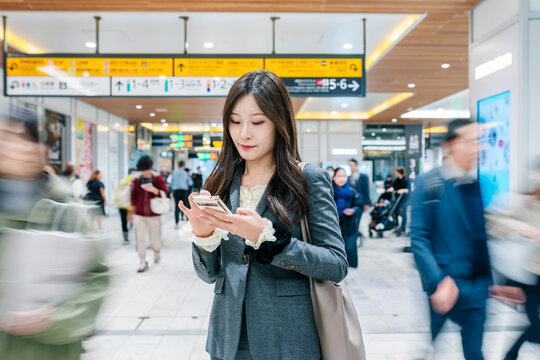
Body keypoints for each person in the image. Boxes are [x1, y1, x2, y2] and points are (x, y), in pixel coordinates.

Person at [178, 70, 348, 360]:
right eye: (235, 121)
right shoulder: (220, 181)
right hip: (228, 339)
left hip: (288, 341)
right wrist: (203, 237)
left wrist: (271, 240)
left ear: (279, 123)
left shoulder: (306, 179)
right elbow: (210, 276)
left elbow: (336, 265)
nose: (244, 133)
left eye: (257, 122)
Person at [0, 106, 109, 360]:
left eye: (16, 137)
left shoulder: (64, 209)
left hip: (50, 350)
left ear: (38, 149)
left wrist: (54, 318)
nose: (6, 145)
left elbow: (99, 278)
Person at [410, 119, 493, 360]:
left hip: (477, 287)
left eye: (481, 141)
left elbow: (480, 236)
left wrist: (494, 281)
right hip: (446, 284)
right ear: (452, 145)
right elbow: (419, 238)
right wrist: (437, 281)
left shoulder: (476, 183)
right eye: (472, 141)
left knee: (475, 352)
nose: (479, 148)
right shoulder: (429, 184)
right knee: (431, 347)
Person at [131, 156, 168, 273]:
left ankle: (157, 253)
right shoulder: (137, 180)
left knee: (155, 237)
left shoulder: (158, 179)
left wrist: (154, 191)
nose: (144, 172)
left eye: (146, 170)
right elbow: (133, 196)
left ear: (150, 168)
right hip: (139, 214)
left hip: (154, 214)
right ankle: (142, 261)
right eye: (142, 170)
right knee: (140, 239)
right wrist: (131, 212)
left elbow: (165, 193)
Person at [332, 167, 364, 268]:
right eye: (339, 176)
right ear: (333, 178)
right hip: (334, 224)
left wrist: (353, 210)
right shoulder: (329, 192)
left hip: (349, 223)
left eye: (344, 176)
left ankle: (350, 266)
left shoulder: (352, 192)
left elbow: (359, 206)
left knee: (349, 247)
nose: (341, 178)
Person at [114, 168, 137, 243]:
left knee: (123, 220)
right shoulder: (135, 181)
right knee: (133, 219)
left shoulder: (122, 181)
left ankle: (125, 236)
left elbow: (117, 192)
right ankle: (131, 231)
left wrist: (116, 203)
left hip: (122, 204)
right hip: (130, 205)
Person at [388, 167, 410, 236]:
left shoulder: (406, 180)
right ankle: (396, 227)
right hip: (397, 200)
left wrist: (402, 190)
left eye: (396, 171)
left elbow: (408, 190)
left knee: (404, 214)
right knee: (394, 212)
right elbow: (393, 187)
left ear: (398, 172)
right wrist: (390, 189)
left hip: (404, 199)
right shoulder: (397, 180)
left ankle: (403, 229)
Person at [171, 161, 193, 228]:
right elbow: (190, 183)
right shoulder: (186, 173)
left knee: (176, 207)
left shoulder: (174, 172)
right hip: (184, 192)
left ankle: (176, 224)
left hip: (176, 191)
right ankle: (188, 223)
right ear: (183, 165)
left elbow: (172, 182)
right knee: (186, 207)